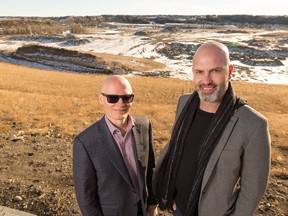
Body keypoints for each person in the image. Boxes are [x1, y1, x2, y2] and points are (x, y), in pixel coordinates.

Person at [153, 41, 271, 216]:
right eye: (200, 72)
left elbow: (252, 190)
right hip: (177, 209)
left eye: (215, 71)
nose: (206, 80)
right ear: (193, 72)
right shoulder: (185, 103)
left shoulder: (253, 124)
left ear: (229, 71)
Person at [73, 75, 158, 216]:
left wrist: (152, 203)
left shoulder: (144, 126)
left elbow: (150, 169)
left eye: (126, 98)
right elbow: (86, 197)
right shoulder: (85, 142)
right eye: (112, 98)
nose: (120, 103)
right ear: (101, 99)